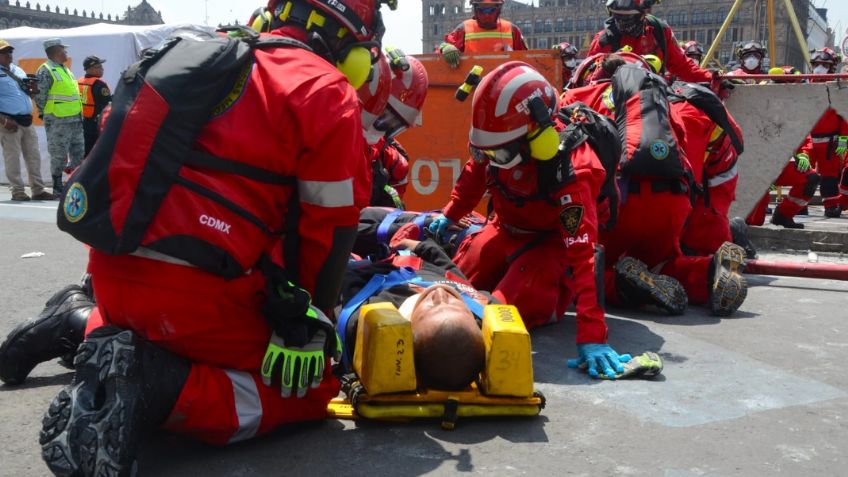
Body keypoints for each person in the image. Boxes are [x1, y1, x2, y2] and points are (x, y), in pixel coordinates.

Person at [35, 0, 391, 474]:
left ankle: (81, 320)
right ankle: (153, 386)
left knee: (148, 320)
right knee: (311, 390)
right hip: (192, 305)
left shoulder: (188, 53)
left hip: (111, 276)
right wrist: (311, 321)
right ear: (348, 47)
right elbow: (330, 229)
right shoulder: (323, 89)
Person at [429, 61, 633, 378]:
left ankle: (552, 300)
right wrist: (451, 213)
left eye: (499, 155)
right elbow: (476, 171)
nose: (492, 160)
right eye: (484, 151)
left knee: (491, 314)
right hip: (504, 228)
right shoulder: (499, 140)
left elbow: (582, 254)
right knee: (446, 289)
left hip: (549, 246)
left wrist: (593, 335)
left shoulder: (574, 169)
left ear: (538, 136)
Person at [563, 60, 748, 317]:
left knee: (569, 267)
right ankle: (707, 271)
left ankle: (622, 286)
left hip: (617, 209)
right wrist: (712, 236)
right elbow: (711, 170)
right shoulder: (671, 105)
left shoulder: (577, 97)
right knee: (663, 263)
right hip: (671, 207)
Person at [588, 0, 712, 84]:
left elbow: (682, 66)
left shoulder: (659, 31)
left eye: (628, 19)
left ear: (644, 14)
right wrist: (606, 70)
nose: (622, 24)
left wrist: (714, 80)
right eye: (618, 18)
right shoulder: (603, 41)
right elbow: (588, 79)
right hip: (615, 105)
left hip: (655, 100)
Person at [366, 52, 428, 208]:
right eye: (383, 114)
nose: (383, 125)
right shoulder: (331, 123)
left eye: (393, 124)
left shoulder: (391, 159)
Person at [0, 39, 55, 201]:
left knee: (33, 156)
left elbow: (26, 92)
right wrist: (3, 121)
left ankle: (38, 190)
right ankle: (17, 191)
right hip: (8, 121)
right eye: (4, 53)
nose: (9, 55)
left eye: (10, 52)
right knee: (13, 157)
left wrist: (33, 91)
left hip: (26, 119)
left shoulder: (18, 70)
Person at [799, 48, 848, 218]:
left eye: (824, 65)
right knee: (804, 173)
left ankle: (831, 206)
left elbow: (844, 117)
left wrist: (843, 141)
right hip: (809, 140)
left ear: (832, 67)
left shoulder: (838, 88)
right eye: (816, 64)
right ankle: (799, 205)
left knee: (830, 177)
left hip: (830, 142)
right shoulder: (804, 86)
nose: (819, 68)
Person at [34, 38, 85, 197]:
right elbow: (40, 96)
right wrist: (48, 115)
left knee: (79, 152)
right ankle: (57, 187)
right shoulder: (45, 70)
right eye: (64, 50)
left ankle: (74, 182)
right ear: (57, 51)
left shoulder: (65, 69)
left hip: (75, 119)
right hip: (58, 120)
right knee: (59, 155)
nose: (66, 53)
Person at [438, 0, 527, 68]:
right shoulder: (464, 28)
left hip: (504, 86)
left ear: (499, 9)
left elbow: (527, 59)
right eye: (482, 10)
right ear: (475, 9)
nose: (487, 15)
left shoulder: (512, 30)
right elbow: (437, 55)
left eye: (491, 10)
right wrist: (444, 47)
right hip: (472, 85)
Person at [77, 55, 112, 155]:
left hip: (84, 123)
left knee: (86, 152)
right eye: (99, 67)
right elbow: (108, 103)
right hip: (98, 124)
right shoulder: (99, 84)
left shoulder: (79, 82)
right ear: (91, 68)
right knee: (99, 153)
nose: (102, 69)